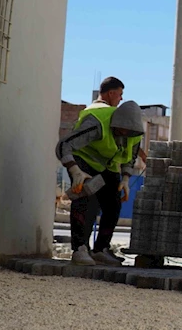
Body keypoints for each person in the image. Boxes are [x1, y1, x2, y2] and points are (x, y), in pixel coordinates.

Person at [55, 77, 143, 266]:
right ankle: (79, 249)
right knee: (84, 199)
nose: (123, 136)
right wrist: (75, 170)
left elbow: (131, 157)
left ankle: (101, 249)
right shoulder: (97, 122)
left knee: (113, 204)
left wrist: (126, 179)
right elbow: (63, 145)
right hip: (83, 160)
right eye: (120, 132)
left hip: (107, 165)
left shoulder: (134, 132)